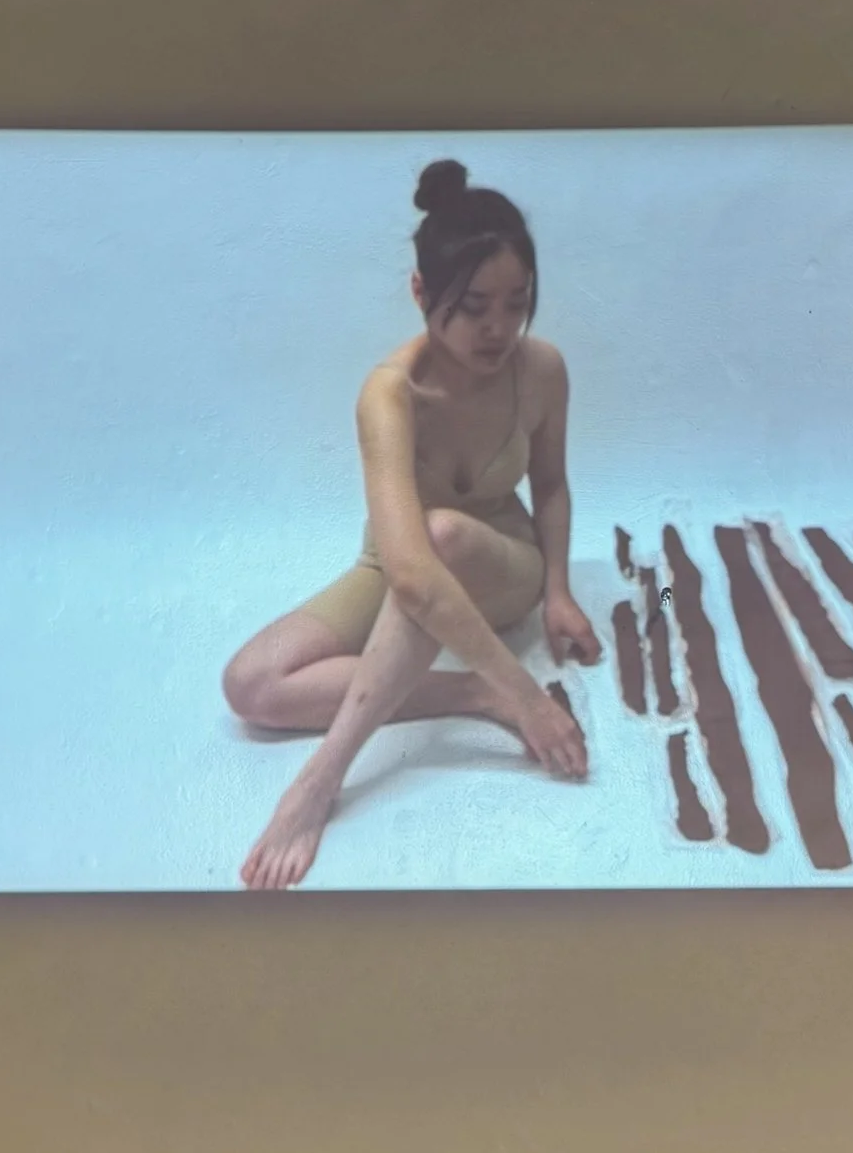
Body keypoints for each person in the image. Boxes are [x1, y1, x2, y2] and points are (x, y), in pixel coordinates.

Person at [223, 159, 602, 890]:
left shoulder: (543, 370)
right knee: (251, 686)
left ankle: (320, 779)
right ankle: (473, 694)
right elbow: (406, 574)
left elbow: (551, 485)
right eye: (474, 306)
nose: (499, 328)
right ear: (422, 292)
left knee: (443, 537)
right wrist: (522, 696)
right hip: (402, 566)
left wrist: (557, 592)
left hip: (501, 565)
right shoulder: (389, 394)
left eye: (517, 302)